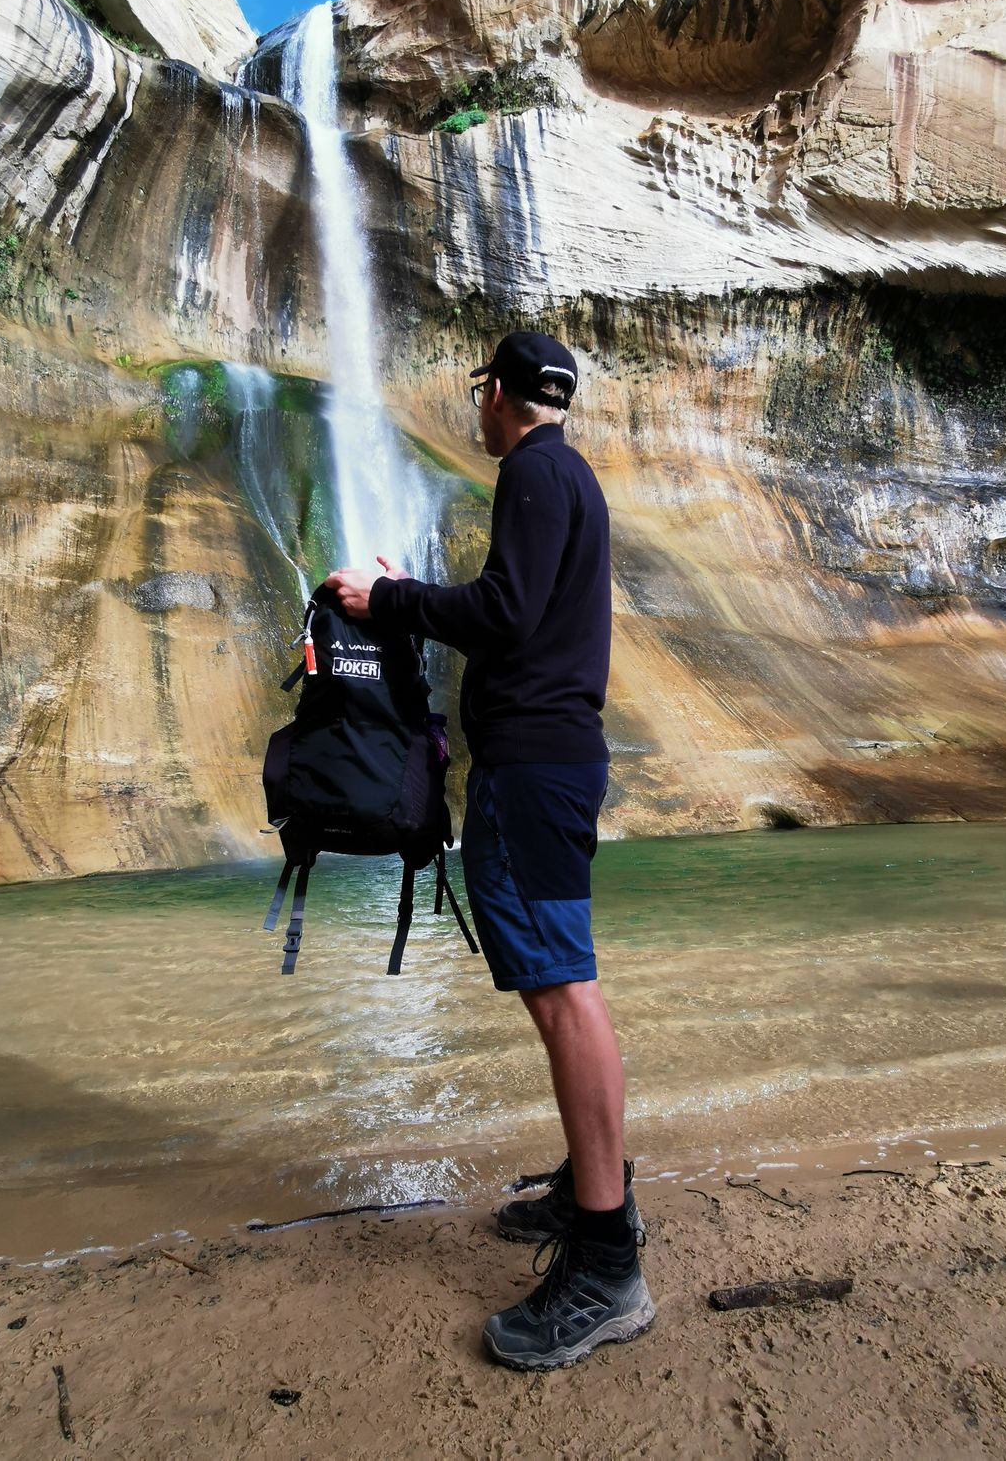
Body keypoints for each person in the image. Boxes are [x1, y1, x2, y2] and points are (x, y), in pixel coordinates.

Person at [324, 330, 654, 1372]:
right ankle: (588, 1186)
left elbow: (502, 614)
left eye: (482, 394)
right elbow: (525, 608)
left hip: (535, 767)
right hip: (556, 761)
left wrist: (391, 600)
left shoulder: (529, 472)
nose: (480, 410)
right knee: (562, 981)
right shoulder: (574, 478)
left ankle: (606, 1262)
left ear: (501, 396)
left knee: (563, 986)